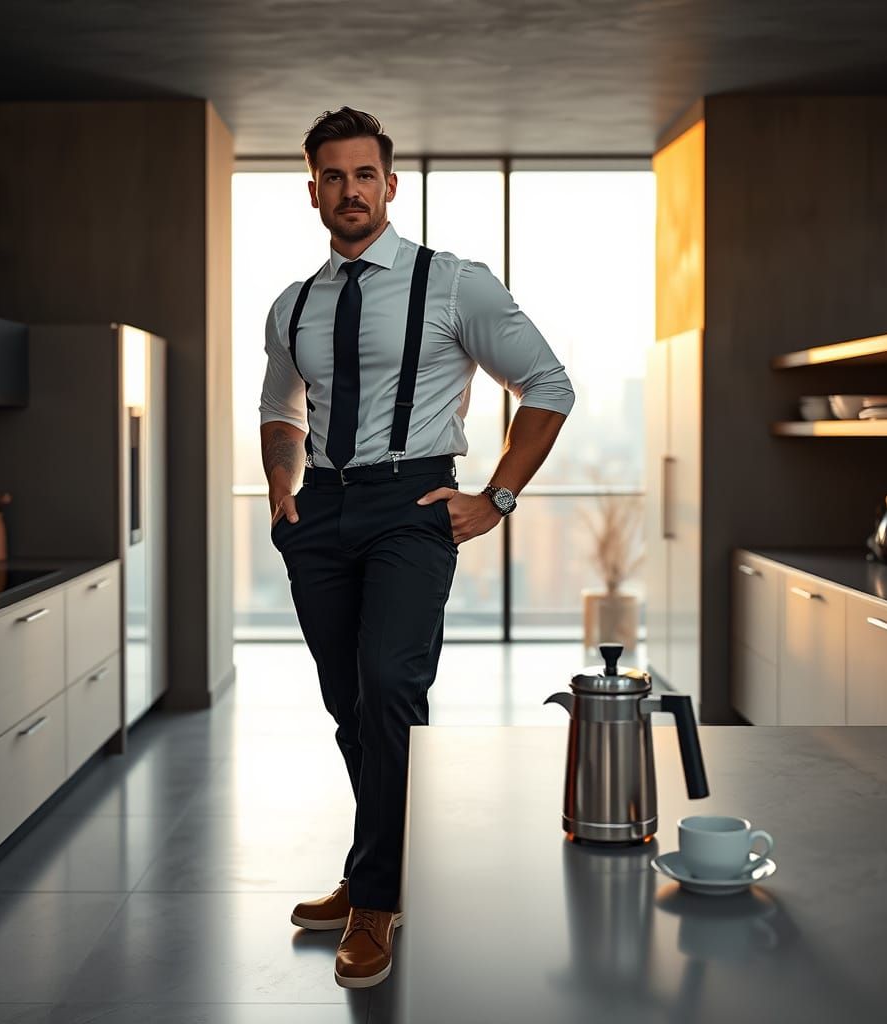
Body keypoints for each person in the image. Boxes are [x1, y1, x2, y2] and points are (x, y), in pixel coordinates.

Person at [259, 106, 575, 989]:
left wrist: (498, 496)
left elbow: (548, 383)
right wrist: (283, 485)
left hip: (412, 502)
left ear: (391, 187)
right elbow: (279, 407)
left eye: (365, 175)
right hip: (319, 512)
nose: (349, 190)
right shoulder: (293, 305)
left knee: (391, 685)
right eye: (333, 176)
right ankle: (376, 871)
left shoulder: (454, 283)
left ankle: (378, 899)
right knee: (345, 701)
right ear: (313, 189)